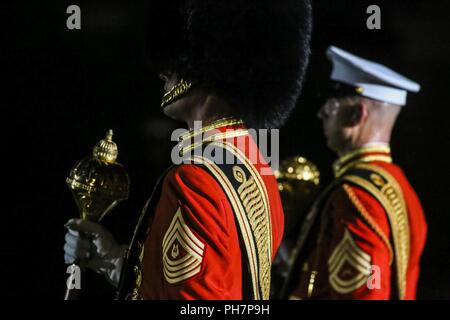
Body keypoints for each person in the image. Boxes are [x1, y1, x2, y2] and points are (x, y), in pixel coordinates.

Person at [63, 0, 312, 300]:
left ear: (207, 66)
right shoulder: (259, 169)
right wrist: (118, 261)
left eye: (175, 59)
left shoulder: (194, 181)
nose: (162, 73)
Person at [283, 46, 427, 300]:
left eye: (331, 107)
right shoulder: (402, 187)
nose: (321, 114)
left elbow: (363, 294)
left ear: (356, 114)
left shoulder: (356, 196)